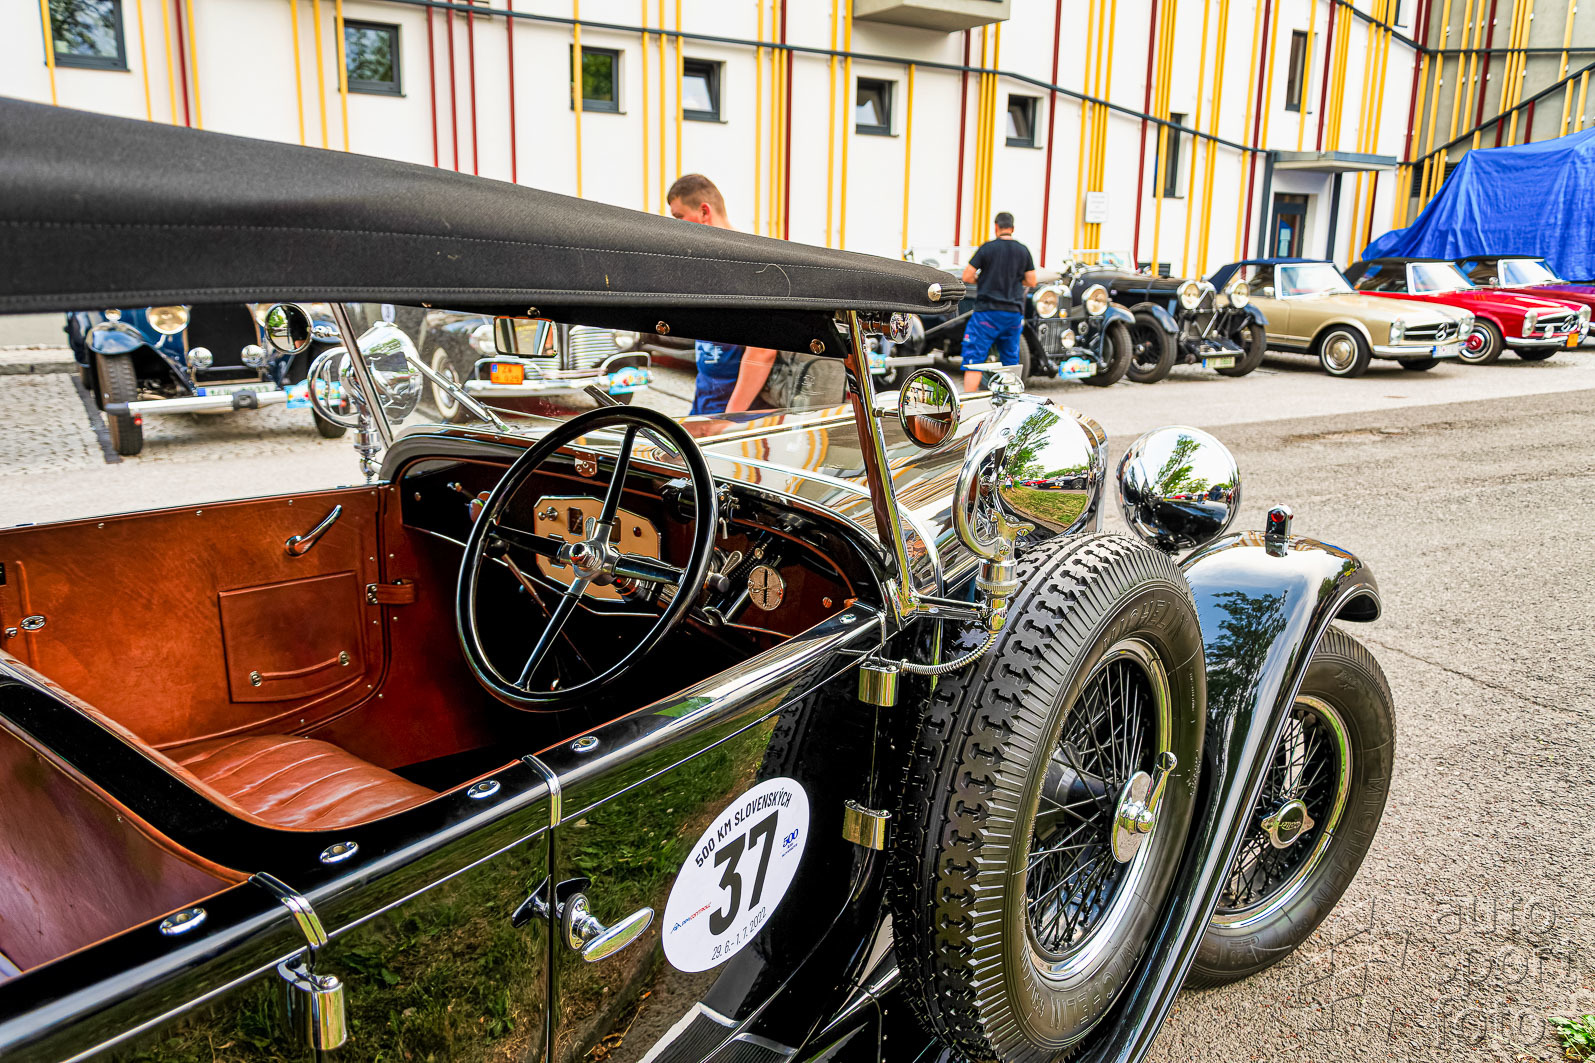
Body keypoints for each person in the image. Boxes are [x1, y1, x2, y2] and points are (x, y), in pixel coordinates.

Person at [667, 174, 778, 415]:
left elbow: (763, 350)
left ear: (704, 211)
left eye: (679, 217)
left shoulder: (750, 263)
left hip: (736, 410)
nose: (676, 226)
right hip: (706, 399)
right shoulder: (709, 263)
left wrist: (730, 417)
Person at [960, 211, 1038, 391]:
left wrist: (984, 280)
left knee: (974, 362)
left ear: (996, 227)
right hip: (1013, 315)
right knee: (1010, 362)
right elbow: (1032, 280)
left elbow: (967, 275)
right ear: (1012, 228)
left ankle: (968, 404)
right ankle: (1010, 402)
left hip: (987, 314)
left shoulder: (987, 248)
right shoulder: (1023, 250)